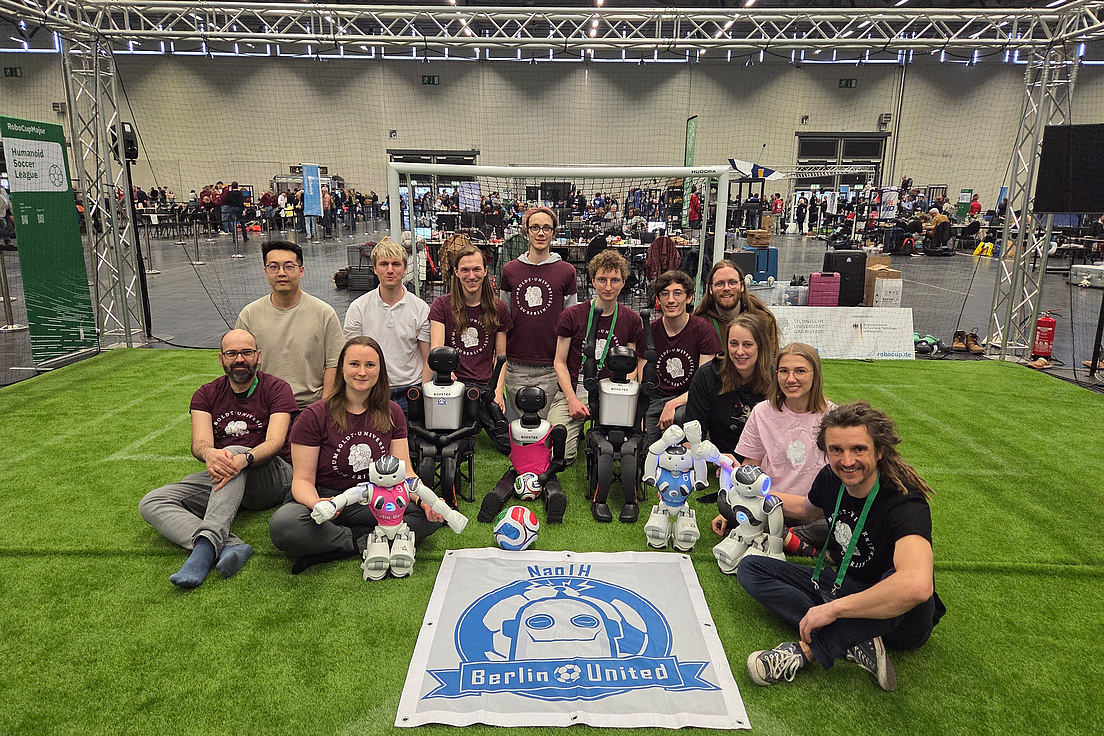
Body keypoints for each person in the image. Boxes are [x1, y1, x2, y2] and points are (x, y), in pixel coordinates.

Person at [737, 401, 945, 691]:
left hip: (903, 620)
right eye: (836, 450)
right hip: (845, 585)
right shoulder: (830, 479)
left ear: (879, 450)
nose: (847, 461)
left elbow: (917, 586)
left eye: (858, 449)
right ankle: (857, 641)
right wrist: (751, 496)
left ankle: (801, 652)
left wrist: (835, 610)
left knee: (899, 582)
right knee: (751, 567)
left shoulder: (904, 502)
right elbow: (806, 510)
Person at [268, 336, 443, 572]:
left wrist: (426, 502)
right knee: (285, 526)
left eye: (370, 365)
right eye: (354, 364)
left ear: (380, 371)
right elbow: (301, 481)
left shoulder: (392, 412)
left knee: (430, 517)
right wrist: (318, 503)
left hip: (375, 499)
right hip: (327, 498)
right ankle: (368, 540)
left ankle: (349, 542)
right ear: (341, 368)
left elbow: (405, 473)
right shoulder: (314, 416)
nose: (362, 372)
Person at [139, 329, 296, 588]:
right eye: (232, 353)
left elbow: (275, 443)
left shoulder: (278, 388)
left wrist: (243, 457)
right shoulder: (206, 394)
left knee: (233, 452)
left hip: (272, 476)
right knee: (152, 502)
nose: (239, 359)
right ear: (221, 358)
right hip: (227, 478)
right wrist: (209, 454)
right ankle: (230, 544)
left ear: (258, 356)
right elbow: (200, 444)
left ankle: (202, 552)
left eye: (246, 352)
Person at [711, 342, 835, 555]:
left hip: (814, 512)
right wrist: (738, 504)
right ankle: (789, 538)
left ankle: (777, 535)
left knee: (837, 524)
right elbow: (751, 470)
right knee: (730, 506)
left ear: (815, 374)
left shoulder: (834, 417)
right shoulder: (762, 412)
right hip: (768, 506)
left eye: (800, 371)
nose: (791, 379)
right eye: (784, 371)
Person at [553, 248, 645, 464]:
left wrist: (621, 398)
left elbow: (632, 367)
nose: (608, 286)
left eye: (615, 280)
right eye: (602, 279)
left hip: (612, 392)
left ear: (623, 282)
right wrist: (571, 399)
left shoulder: (631, 320)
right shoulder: (572, 315)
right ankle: (576, 433)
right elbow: (559, 361)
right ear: (593, 281)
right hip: (576, 390)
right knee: (561, 455)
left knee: (622, 453)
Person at [235, 241, 344, 412]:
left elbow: (334, 365)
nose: (281, 273)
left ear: (301, 271)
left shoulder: (324, 313)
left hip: (309, 408)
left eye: (288, 266)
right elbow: (239, 363)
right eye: (273, 267)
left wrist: (322, 408)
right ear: (265, 272)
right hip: (263, 409)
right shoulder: (249, 315)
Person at [428, 243, 512, 453]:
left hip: (485, 388)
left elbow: (501, 357)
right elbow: (436, 351)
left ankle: (476, 418)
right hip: (452, 386)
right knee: (445, 444)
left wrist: (498, 393)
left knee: (507, 445)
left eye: (476, 269)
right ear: (456, 272)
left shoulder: (499, 308)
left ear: (485, 271)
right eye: (464, 270)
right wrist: (451, 379)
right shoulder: (441, 306)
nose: (471, 275)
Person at [499, 205, 579, 422]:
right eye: (535, 227)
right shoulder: (510, 270)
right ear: (527, 231)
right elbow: (504, 317)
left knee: (546, 428)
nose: (540, 233)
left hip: (551, 364)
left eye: (546, 228)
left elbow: (571, 321)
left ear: (554, 232)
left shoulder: (567, 271)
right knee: (518, 428)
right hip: (516, 362)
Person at [343, 237, 430, 414]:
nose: (390, 270)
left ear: (405, 268)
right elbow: (349, 357)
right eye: (384, 264)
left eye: (396, 264)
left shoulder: (421, 309)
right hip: (371, 389)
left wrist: (423, 392)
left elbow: (427, 357)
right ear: (375, 269)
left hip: (410, 390)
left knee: (408, 442)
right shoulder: (358, 308)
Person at [644, 270, 721, 446]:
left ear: (689, 297)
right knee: (646, 449)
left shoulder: (704, 331)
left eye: (677, 293)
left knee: (680, 420)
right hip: (655, 399)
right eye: (665, 294)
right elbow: (643, 377)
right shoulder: (649, 331)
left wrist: (672, 404)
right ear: (658, 299)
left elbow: (704, 383)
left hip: (690, 398)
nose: (671, 300)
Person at [685, 312, 773, 454]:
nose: (739, 352)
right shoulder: (706, 376)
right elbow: (693, 435)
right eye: (733, 344)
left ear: (760, 346)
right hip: (723, 458)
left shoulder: (775, 378)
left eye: (747, 345)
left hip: (763, 457)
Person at [693, 260, 780, 353]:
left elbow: (772, 362)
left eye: (732, 282)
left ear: (742, 286)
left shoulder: (763, 320)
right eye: (720, 284)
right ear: (710, 289)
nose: (726, 288)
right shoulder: (699, 323)